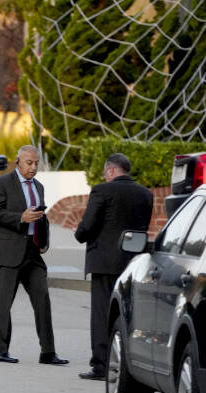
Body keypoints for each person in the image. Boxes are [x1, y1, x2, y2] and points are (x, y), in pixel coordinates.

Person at [75, 153, 153, 380]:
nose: (104, 176)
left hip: (104, 262)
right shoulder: (145, 194)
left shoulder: (102, 191)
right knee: (128, 315)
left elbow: (87, 225)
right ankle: (126, 365)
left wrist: (80, 234)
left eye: (105, 172)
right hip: (133, 263)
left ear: (111, 170)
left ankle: (101, 365)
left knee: (102, 315)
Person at [0, 145, 68, 365]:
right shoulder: (2, 183)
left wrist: (44, 241)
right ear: (18, 162)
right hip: (10, 251)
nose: (33, 167)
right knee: (4, 304)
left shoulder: (38, 186)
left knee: (43, 300)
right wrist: (20, 218)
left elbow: (42, 217)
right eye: (28, 163)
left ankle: (48, 352)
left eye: (36, 163)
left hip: (33, 253)